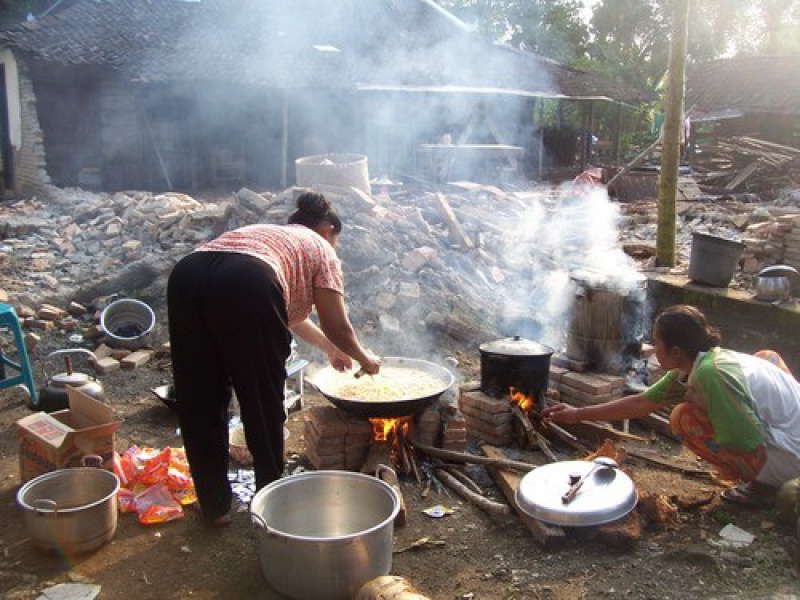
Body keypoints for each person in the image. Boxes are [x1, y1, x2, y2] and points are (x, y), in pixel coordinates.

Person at [167, 192, 380, 526]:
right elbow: (338, 325)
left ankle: (215, 506)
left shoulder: (272, 238)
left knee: (200, 399)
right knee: (261, 399)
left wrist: (332, 350)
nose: (335, 248)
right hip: (248, 281)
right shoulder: (322, 247)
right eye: (336, 241)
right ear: (328, 230)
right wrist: (366, 358)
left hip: (187, 275)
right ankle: (273, 504)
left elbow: (292, 317)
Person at [544, 304, 800, 507]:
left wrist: (705, 406)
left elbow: (742, 440)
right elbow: (643, 402)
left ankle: (762, 486)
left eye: (657, 342)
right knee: (766, 357)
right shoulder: (704, 361)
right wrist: (577, 414)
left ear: (676, 351)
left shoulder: (711, 374)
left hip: (792, 455)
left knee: (684, 418)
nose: (653, 349)